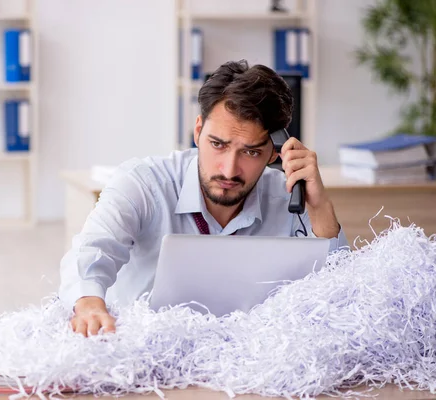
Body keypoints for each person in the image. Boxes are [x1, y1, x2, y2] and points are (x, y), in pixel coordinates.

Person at [59, 59, 349, 337]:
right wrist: (89, 304)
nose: (229, 169)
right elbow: (91, 250)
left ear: (275, 152)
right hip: (137, 351)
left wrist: (319, 206)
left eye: (250, 152)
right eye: (217, 144)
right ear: (198, 132)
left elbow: (340, 290)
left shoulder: (286, 195)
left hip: (240, 361)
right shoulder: (143, 183)